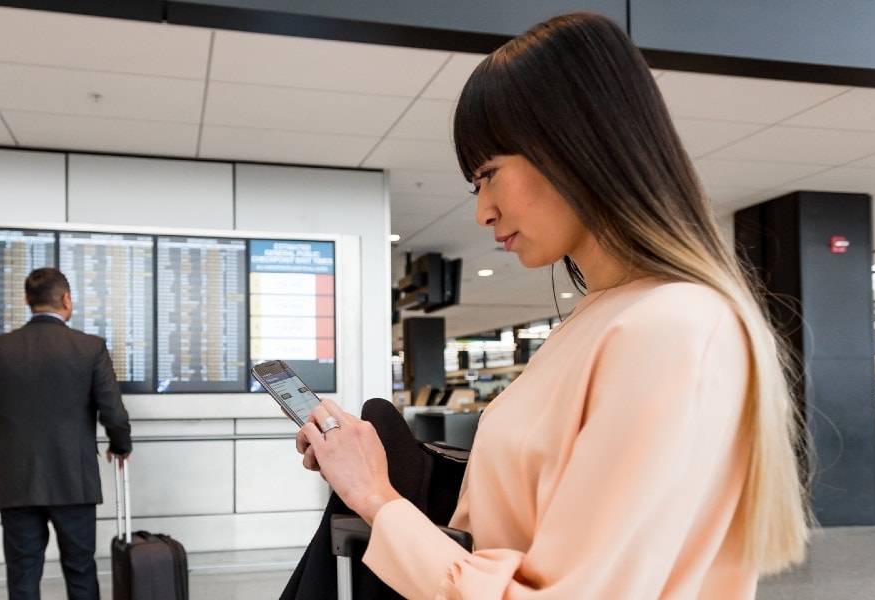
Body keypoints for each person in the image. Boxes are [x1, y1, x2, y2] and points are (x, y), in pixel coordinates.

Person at [294, 11, 809, 600]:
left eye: (489, 174)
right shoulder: (601, 319)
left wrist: (376, 498)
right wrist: (379, 467)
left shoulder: (670, 328)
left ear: (576, 145)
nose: (481, 211)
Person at [0, 267, 132, 600]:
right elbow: (112, 412)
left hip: (15, 478)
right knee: (80, 568)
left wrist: (17, 427)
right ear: (66, 300)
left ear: (27, 300)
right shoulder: (90, 348)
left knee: (23, 572)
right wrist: (120, 446)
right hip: (73, 478)